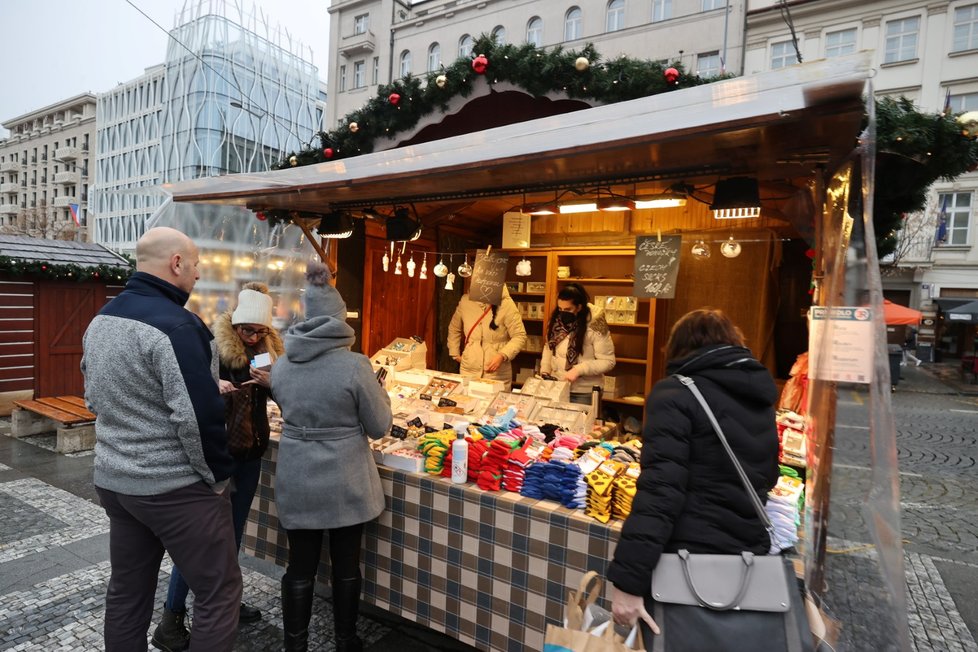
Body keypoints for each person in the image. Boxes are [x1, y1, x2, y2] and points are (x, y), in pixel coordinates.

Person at [81, 226, 242, 652]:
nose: (197, 277)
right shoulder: (179, 326)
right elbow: (198, 417)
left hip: (116, 481)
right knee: (218, 593)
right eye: (195, 267)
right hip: (174, 488)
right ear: (176, 264)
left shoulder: (103, 318)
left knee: (128, 592)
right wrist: (218, 478)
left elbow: (92, 398)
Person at [607, 308, 780, 642]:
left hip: (686, 563)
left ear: (678, 348)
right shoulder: (759, 398)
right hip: (745, 556)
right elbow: (767, 476)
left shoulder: (675, 393)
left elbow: (660, 493)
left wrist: (628, 581)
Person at [152, 282, 285, 650]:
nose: (252, 337)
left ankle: (227, 600)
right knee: (201, 541)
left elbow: (281, 395)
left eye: (260, 331)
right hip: (217, 455)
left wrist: (274, 382)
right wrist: (215, 386)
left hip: (250, 454)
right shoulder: (212, 345)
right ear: (235, 324)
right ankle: (171, 620)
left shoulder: (268, 350)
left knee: (233, 536)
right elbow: (186, 394)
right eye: (247, 330)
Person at [270, 262, 393, 652]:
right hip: (346, 479)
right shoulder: (355, 365)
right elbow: (379, 426)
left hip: (297, 474)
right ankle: (345, 640)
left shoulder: (283, 364)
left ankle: (296, 644)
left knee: (300, 567)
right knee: (345, 566)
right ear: (340, 320)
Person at [540, 283, 616, 404]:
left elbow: (608, 361)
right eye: (560, 309)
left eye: (568, 309)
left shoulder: (595, 325)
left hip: (584, 392)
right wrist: (545, 370)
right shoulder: (556, 321)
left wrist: (579, 370)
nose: (563, 313)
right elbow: (549, 348)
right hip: (557, 387)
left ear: (579, 307)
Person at [447, 286, 527, 390]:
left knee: (494, 404)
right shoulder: (465, 301)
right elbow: (454, 328)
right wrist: (455, 353)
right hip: (469, 368)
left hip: (496, 371)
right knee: (467, 401)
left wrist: (502, 355)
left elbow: (519, 335)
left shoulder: (506, 304)